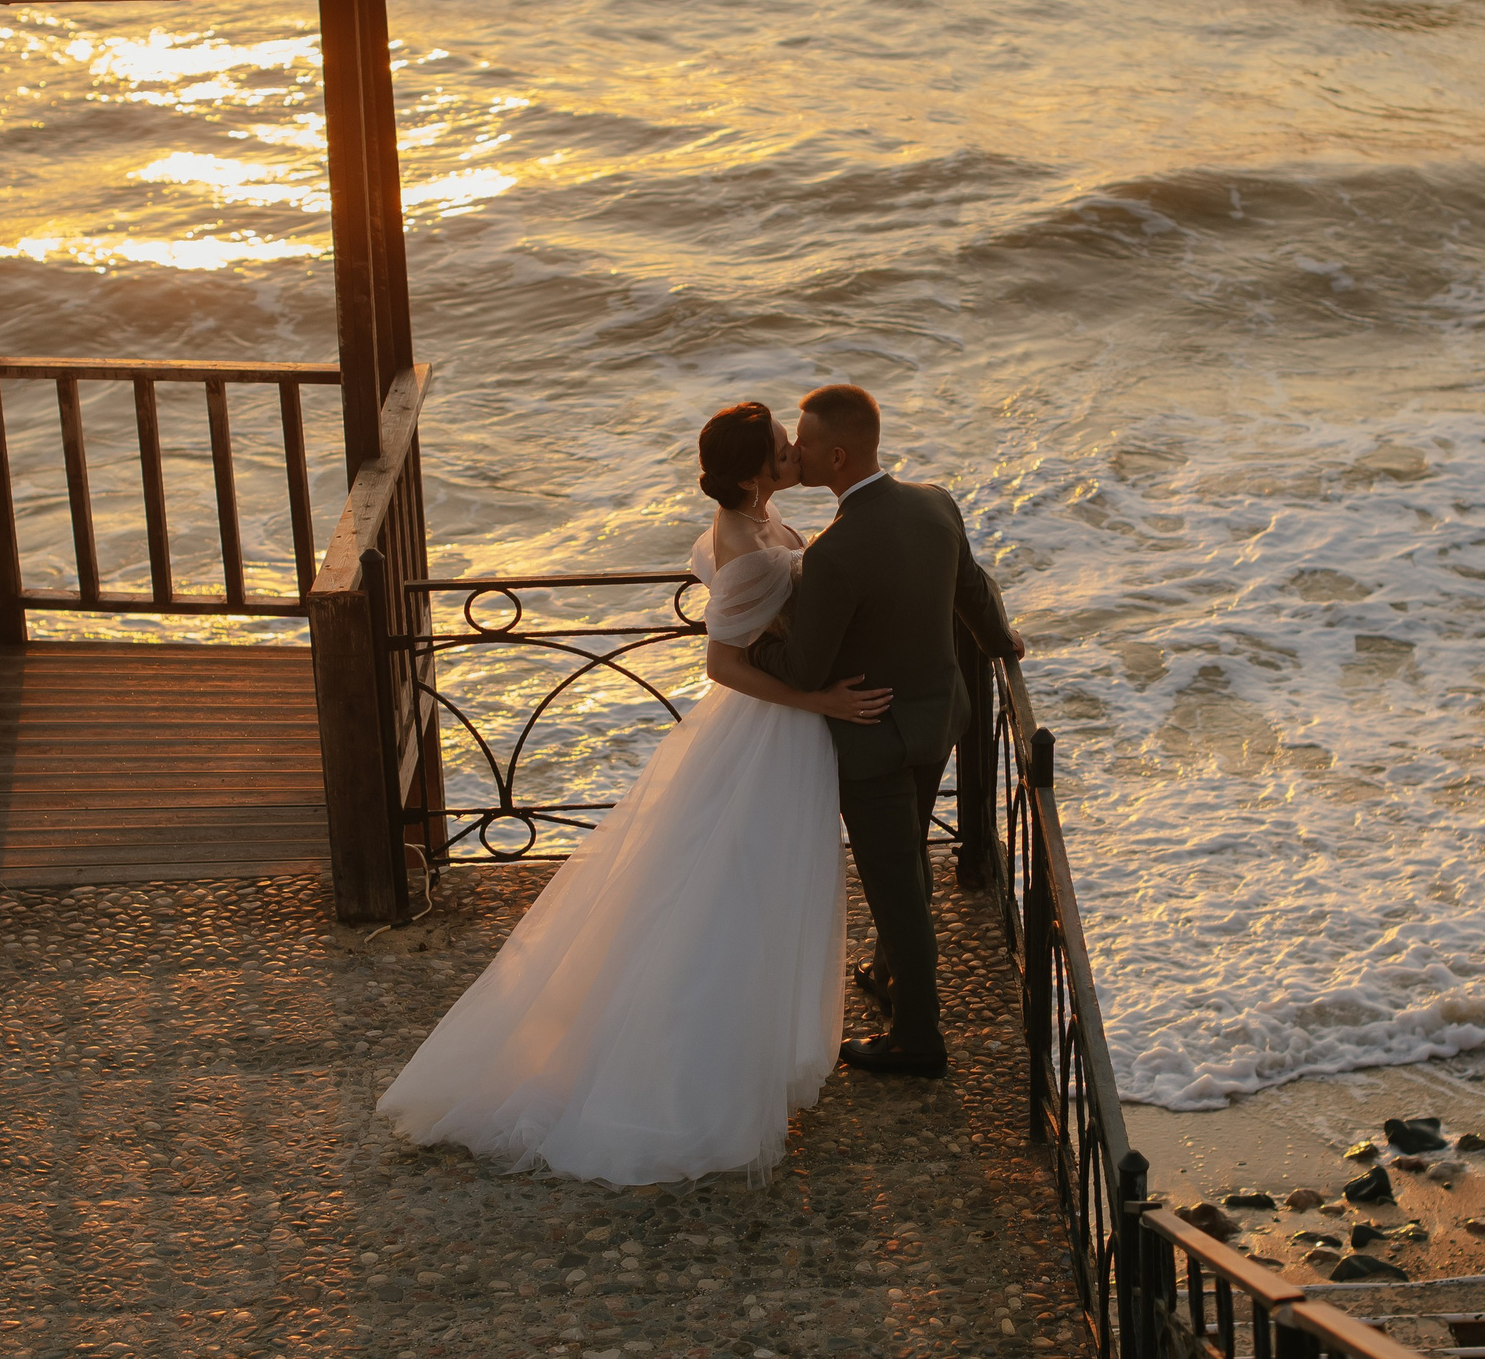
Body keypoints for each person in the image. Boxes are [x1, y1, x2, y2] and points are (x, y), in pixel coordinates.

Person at [375, 402, 891, 1184]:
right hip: (766, 734)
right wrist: (821, 703)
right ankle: (688, 1080)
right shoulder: (749, 548)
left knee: (753, 888)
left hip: (772, 737)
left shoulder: (758, 516)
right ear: (754, 475)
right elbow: (724, 665)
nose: (795, 457)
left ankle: (743, 1048)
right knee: (735, 895)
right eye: (783, 451)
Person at [750, 384, 1023, 1079]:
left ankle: (918, 1038)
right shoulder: (934, 502)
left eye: (803, 446)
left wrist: (746, 644)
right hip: (941, 717)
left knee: (896, 886)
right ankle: (884, 972)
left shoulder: (835, 553)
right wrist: (1004, 643)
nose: (792, 454)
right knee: (908, 857)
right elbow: (972, 590)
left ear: (835, 456)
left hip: (875, 741)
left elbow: (806, 669)